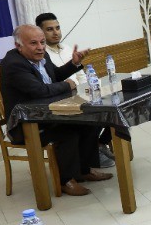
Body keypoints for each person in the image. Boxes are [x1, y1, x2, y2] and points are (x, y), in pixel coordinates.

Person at [0, 25, 111, 197]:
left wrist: (74, 63)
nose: (40, 47)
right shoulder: (14, 64)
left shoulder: (42, 56)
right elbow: (39, 90)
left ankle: (83, 171)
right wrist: (67, 85)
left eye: (42, 42)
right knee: (68, 133)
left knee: (89, 123)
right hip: (26, 125)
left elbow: (54, 76)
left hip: (48, 116)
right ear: (18, 46)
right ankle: (65, 181)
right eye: (34, 43)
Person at [35, 12, 114, 166]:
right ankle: (92, 151)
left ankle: (99, 144)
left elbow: (81, 76)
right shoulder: (42, 55)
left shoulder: (67, 48)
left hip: (81, 94)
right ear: (40, 33)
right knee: (96, 115)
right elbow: (57, 81)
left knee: (114, 108)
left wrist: (89, 88)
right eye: (50, 29)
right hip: (64, 101)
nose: (56, 32)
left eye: (57, 28)